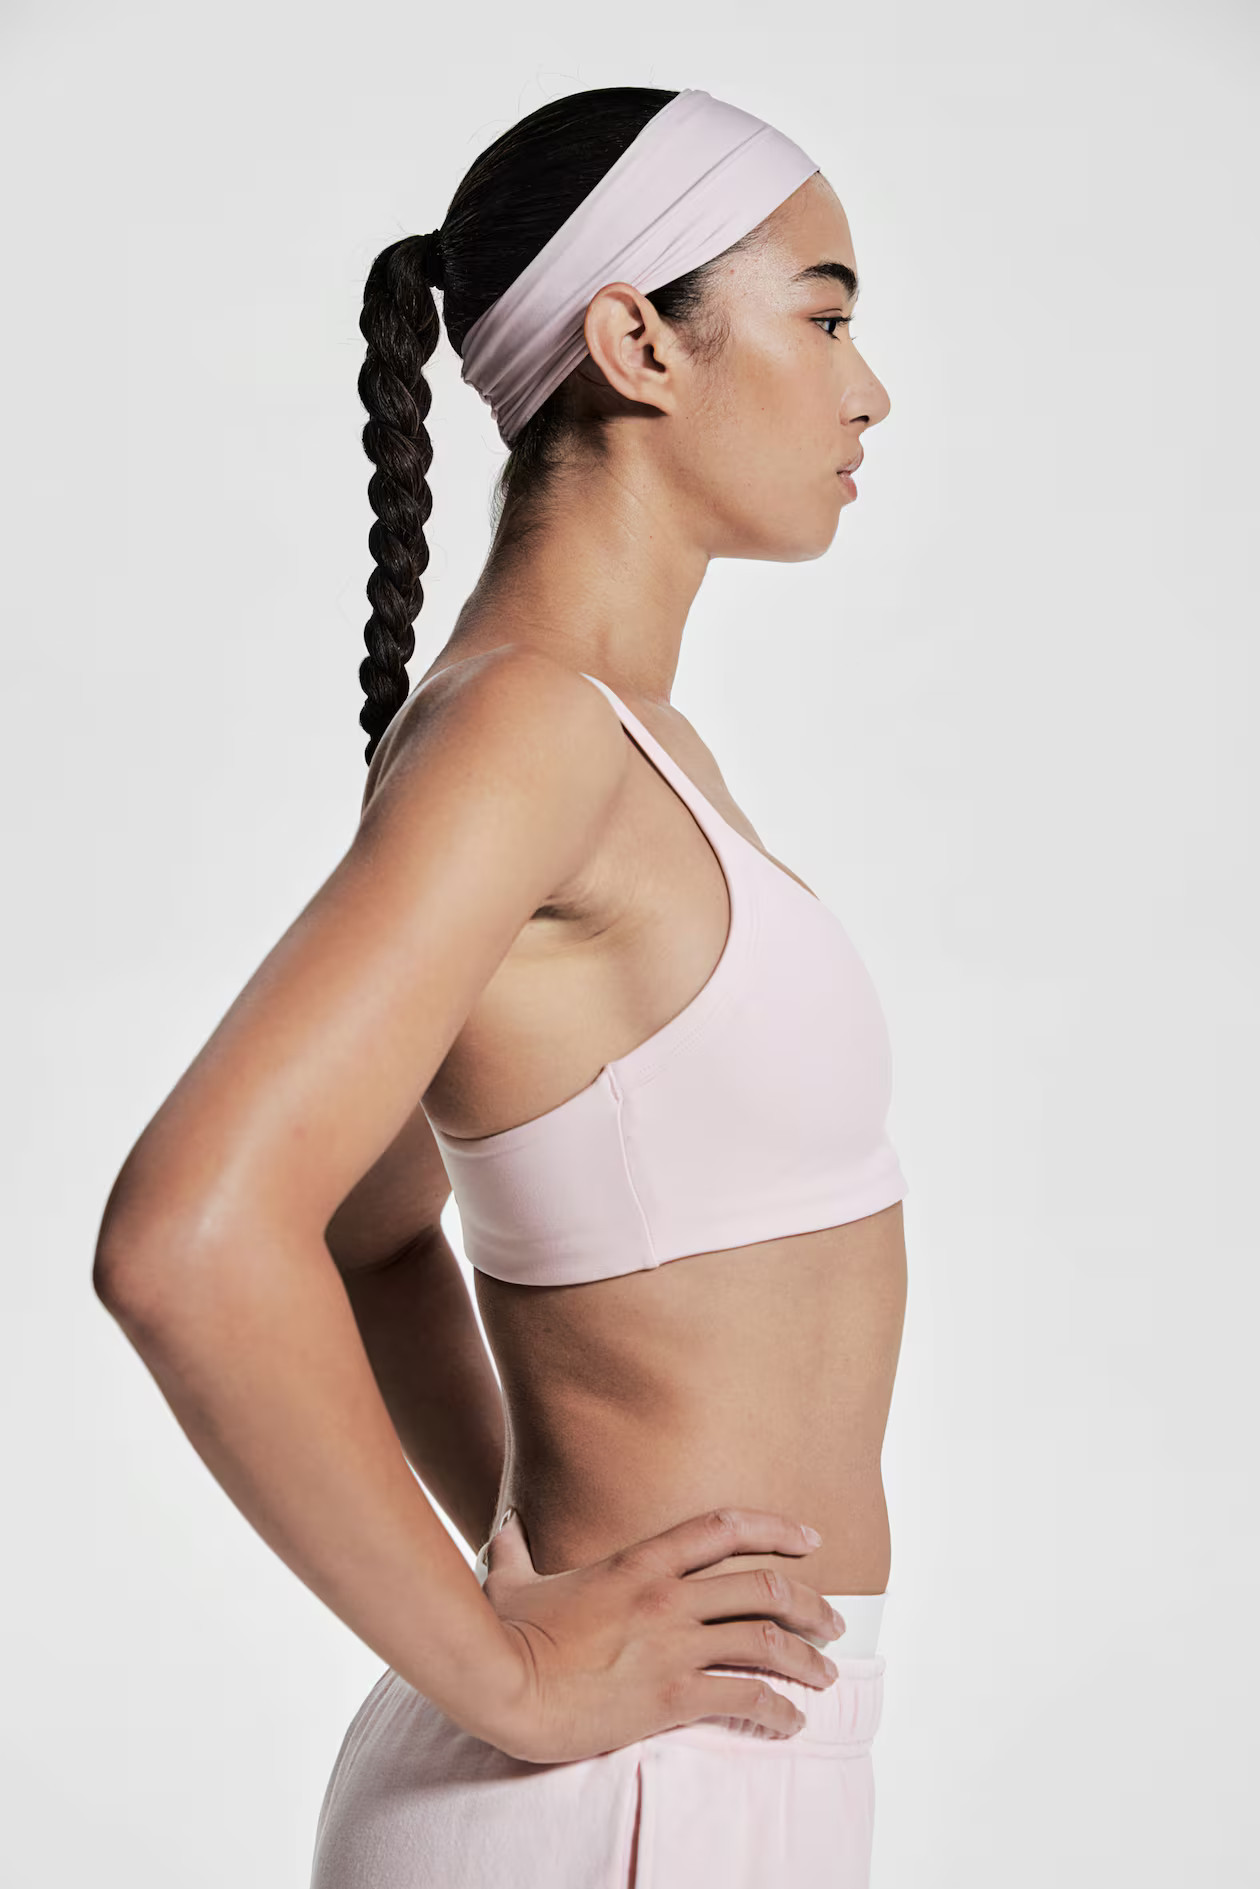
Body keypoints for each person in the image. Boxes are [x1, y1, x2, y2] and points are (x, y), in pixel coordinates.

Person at [93, 83, 906, 1887]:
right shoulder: (530, 730)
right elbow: (188, 1236)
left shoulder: (595, 734)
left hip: (691, 1764)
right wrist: (511, 1668)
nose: (871, 393)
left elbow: (374, 1226)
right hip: (620, 1798)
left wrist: (531, 1575)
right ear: (636, 340)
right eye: (828, 316)